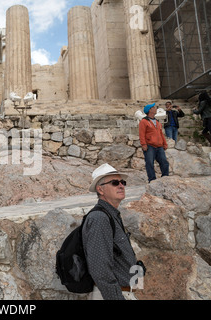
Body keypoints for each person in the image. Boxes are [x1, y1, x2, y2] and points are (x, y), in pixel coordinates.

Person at [83, 163, 144, 300]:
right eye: (115, 183)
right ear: (101, 190)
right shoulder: (99, 218)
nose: (121, 186)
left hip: (123, 293)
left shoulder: (111, 215)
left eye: (122, 182)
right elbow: (100, 269)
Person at [139, 103, 170, 183]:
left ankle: (165, 178)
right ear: (150, 110)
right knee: (149, 163)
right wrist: (143, 144)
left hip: (159, 146)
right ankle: (152, 180)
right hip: (150, 146)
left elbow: (161, 134)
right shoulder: (144, 121)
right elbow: (141, 134)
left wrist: (165, 143)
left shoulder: (157, 122)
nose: (156, 108)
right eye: (154, 107)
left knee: (164, 162)